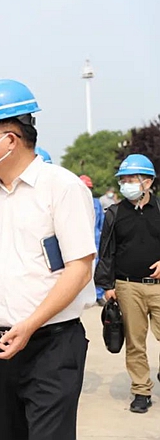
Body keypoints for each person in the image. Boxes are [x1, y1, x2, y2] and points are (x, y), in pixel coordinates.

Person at [0, 79, 96, 440]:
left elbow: (79, 269)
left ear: (10, 139)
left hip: (51, 344)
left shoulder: (61, 187)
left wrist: (31, 324)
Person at [95, 154, 160, 414]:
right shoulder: (114, 213)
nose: (126, 184)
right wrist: (107, 285)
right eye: (123, 179)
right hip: (127, 286)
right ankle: (141, 391)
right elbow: (106, 250)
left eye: (131, 179)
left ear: (148, 182)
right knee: (135, 342)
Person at [80, 175, 105, 305]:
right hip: (79, 242)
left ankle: (98, 294)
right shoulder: (72, 203)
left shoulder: (96, 203)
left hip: (95, 241)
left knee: (98, 269)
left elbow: (102, 223)